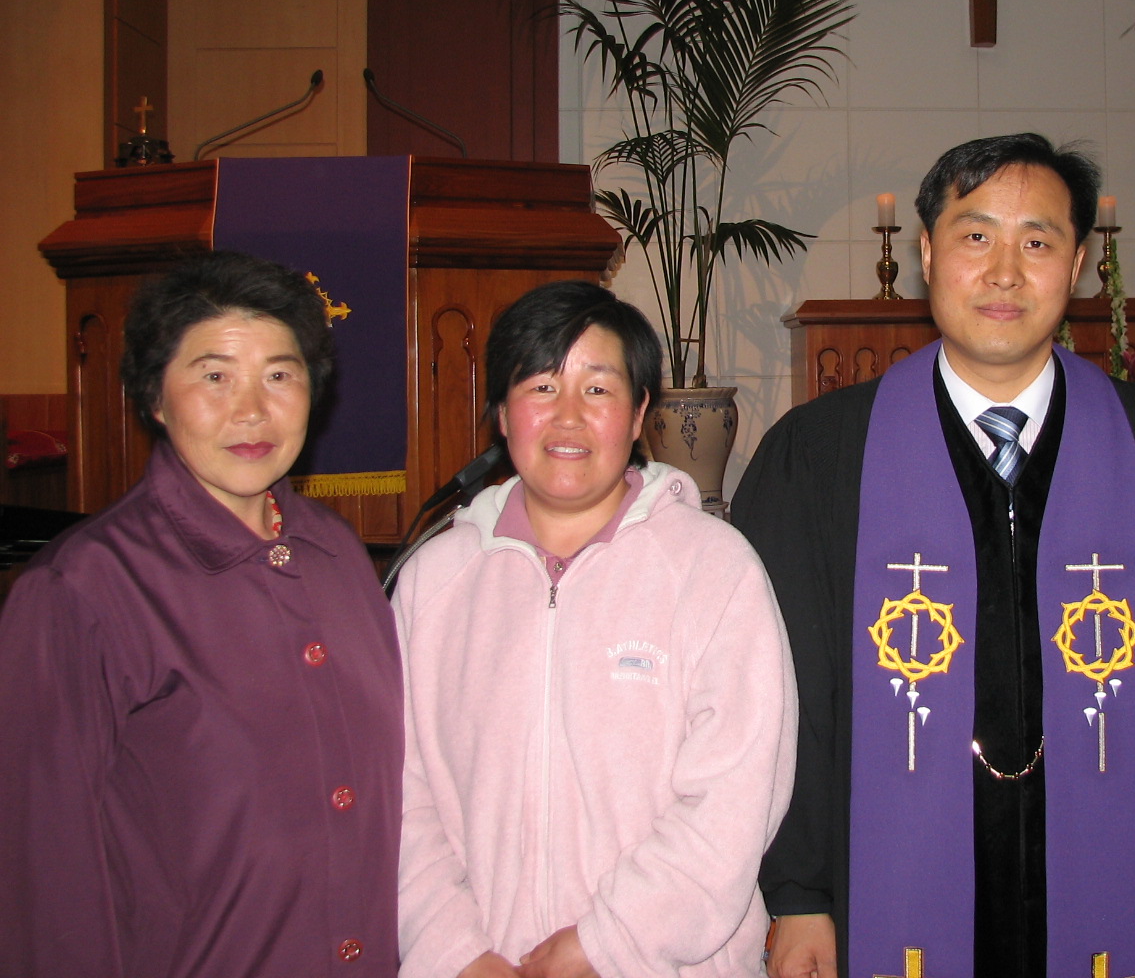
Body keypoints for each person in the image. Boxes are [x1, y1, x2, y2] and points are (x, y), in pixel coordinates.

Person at [732, 133, 1135, 978]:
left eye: (1038, 242)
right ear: (927, 252)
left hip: (1119, 884)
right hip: (882, 889)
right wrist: (798, 893)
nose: (1005, 272)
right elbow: (785, 698)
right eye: (976, 236)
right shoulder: (820, 456)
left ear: (1079, 264)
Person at [0, 250, 403, 977]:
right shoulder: (81, 590)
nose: (251, 410)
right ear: (155, 398)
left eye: (279, 375)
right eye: (215, 376)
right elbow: (44, 885)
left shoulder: (338, 555)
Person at [393, 280, 798, 978]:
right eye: (542, 387)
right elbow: (401, 794)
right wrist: (454, 953)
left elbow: (735, 797)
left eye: (599, 389)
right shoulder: (434, 581)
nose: (569, 417)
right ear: (501, 412)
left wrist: (605, 943)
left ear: (640, 413)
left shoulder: (712, 570)